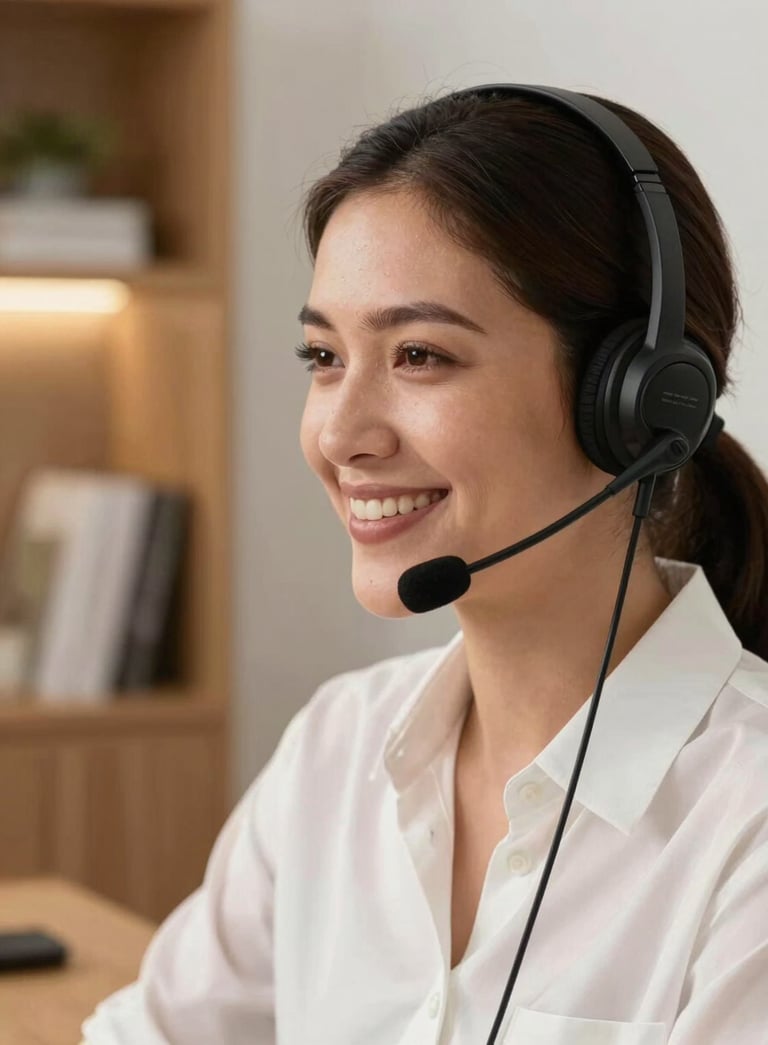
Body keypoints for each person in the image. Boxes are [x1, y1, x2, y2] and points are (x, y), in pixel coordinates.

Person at [82, 86, 768, 1044]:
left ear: (640, 404)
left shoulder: (747, 822)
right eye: (323, 355)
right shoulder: (339, 747)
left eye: (418, 355)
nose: (342, 434)